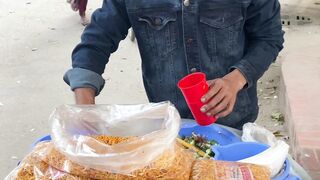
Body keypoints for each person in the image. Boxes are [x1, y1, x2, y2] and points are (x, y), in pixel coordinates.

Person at [64, 0, 284, 130]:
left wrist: (235, 80)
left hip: (235, 125)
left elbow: (269, 38)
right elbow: (97, 41)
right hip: (170, 127)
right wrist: (85, 111)